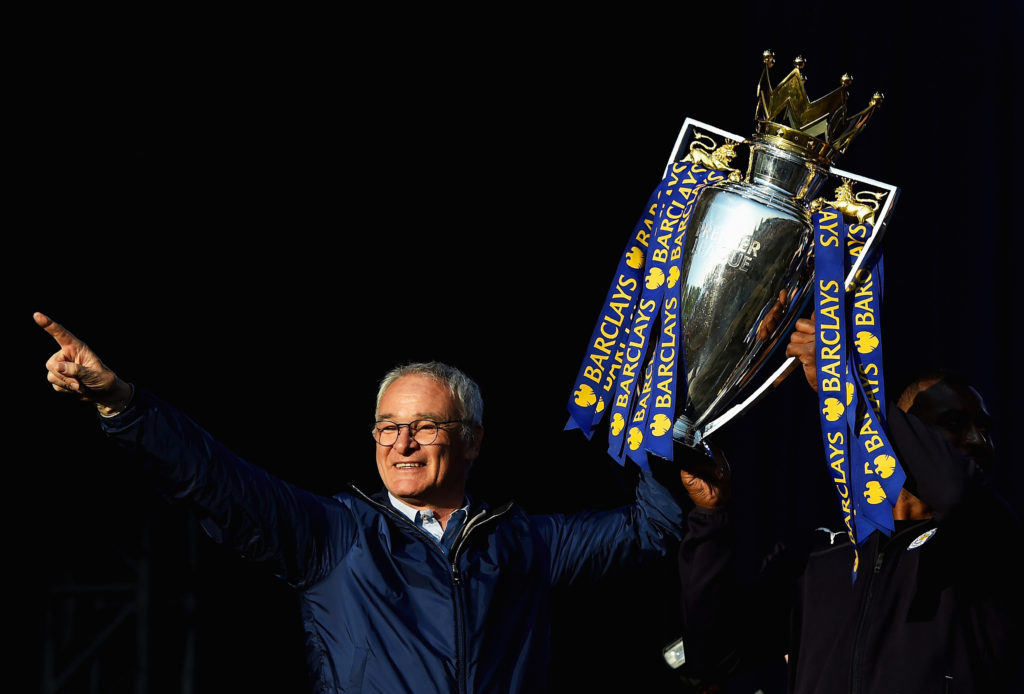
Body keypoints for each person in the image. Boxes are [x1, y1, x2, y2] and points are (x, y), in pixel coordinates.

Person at [33, 311, 691, 694]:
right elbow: (215, 481)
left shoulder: (527, 543)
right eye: (387, 427)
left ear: (471, 442)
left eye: (425, 426)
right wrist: (121, 403)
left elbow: (651, 531)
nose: (402, 443)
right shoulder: (337, 538)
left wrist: (666, 417)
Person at [672, 312, 1024, 693]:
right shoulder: (820, 556)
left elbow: (956, 491)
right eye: (954, 424)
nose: (979, 440)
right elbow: (714, 654)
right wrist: (710, 515)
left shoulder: (988, 537)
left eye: (986, 429)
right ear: (895, 434)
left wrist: (843, 388)